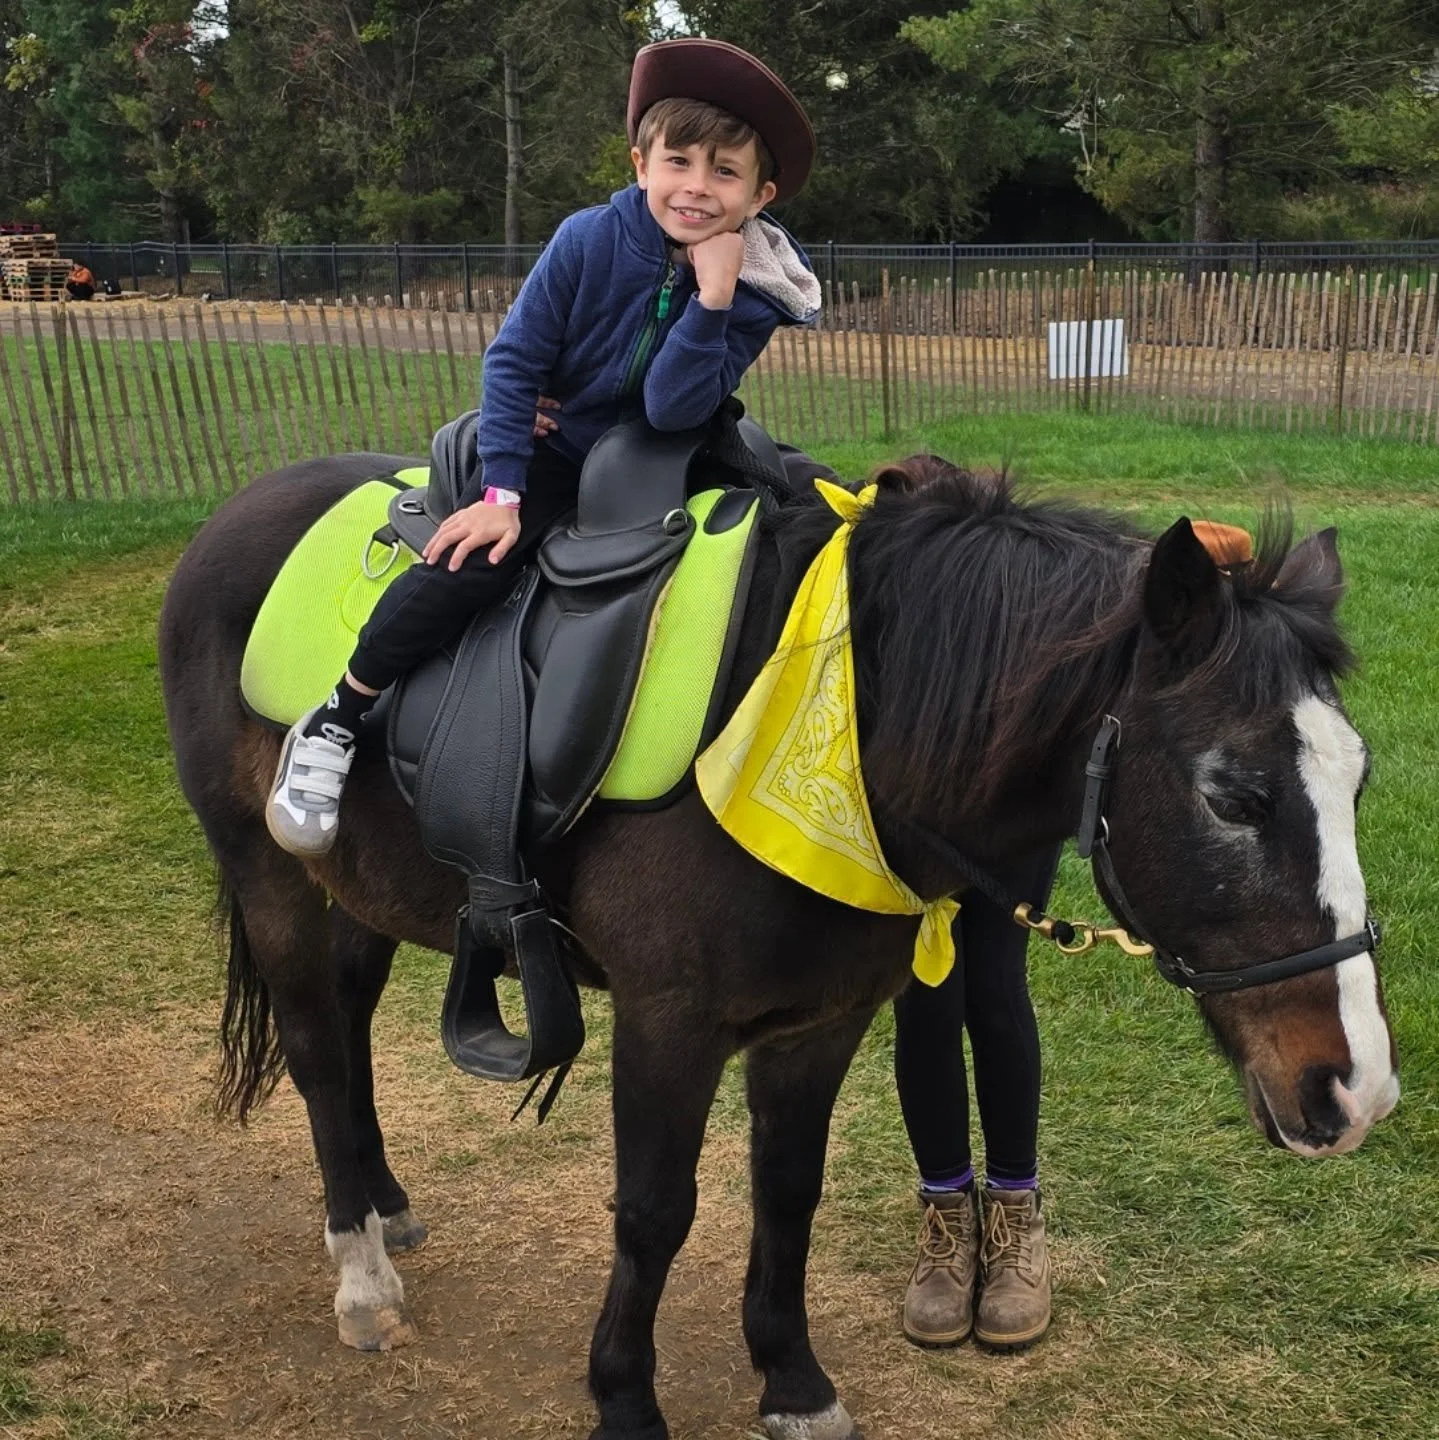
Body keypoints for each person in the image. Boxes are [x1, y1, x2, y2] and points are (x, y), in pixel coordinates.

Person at [266, 39, 821, 855]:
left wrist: (713, 298)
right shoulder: (586, 240)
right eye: (679, 162)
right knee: (481, 562)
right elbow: (515, 357)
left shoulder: (759, 292)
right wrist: (502, 493)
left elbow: (673, 407)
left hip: (671, 443)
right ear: (641, 165)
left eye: (725, 172)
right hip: (559, 444)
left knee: (796, 525)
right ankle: (340, 712)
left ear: (759, 194)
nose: (697, 188)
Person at [896, 847, 1060, 1353]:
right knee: (925, 993)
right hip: (909, 790)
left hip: (1009, 788)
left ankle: (1014, 1213)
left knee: (996, 985)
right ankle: (947, 1215)